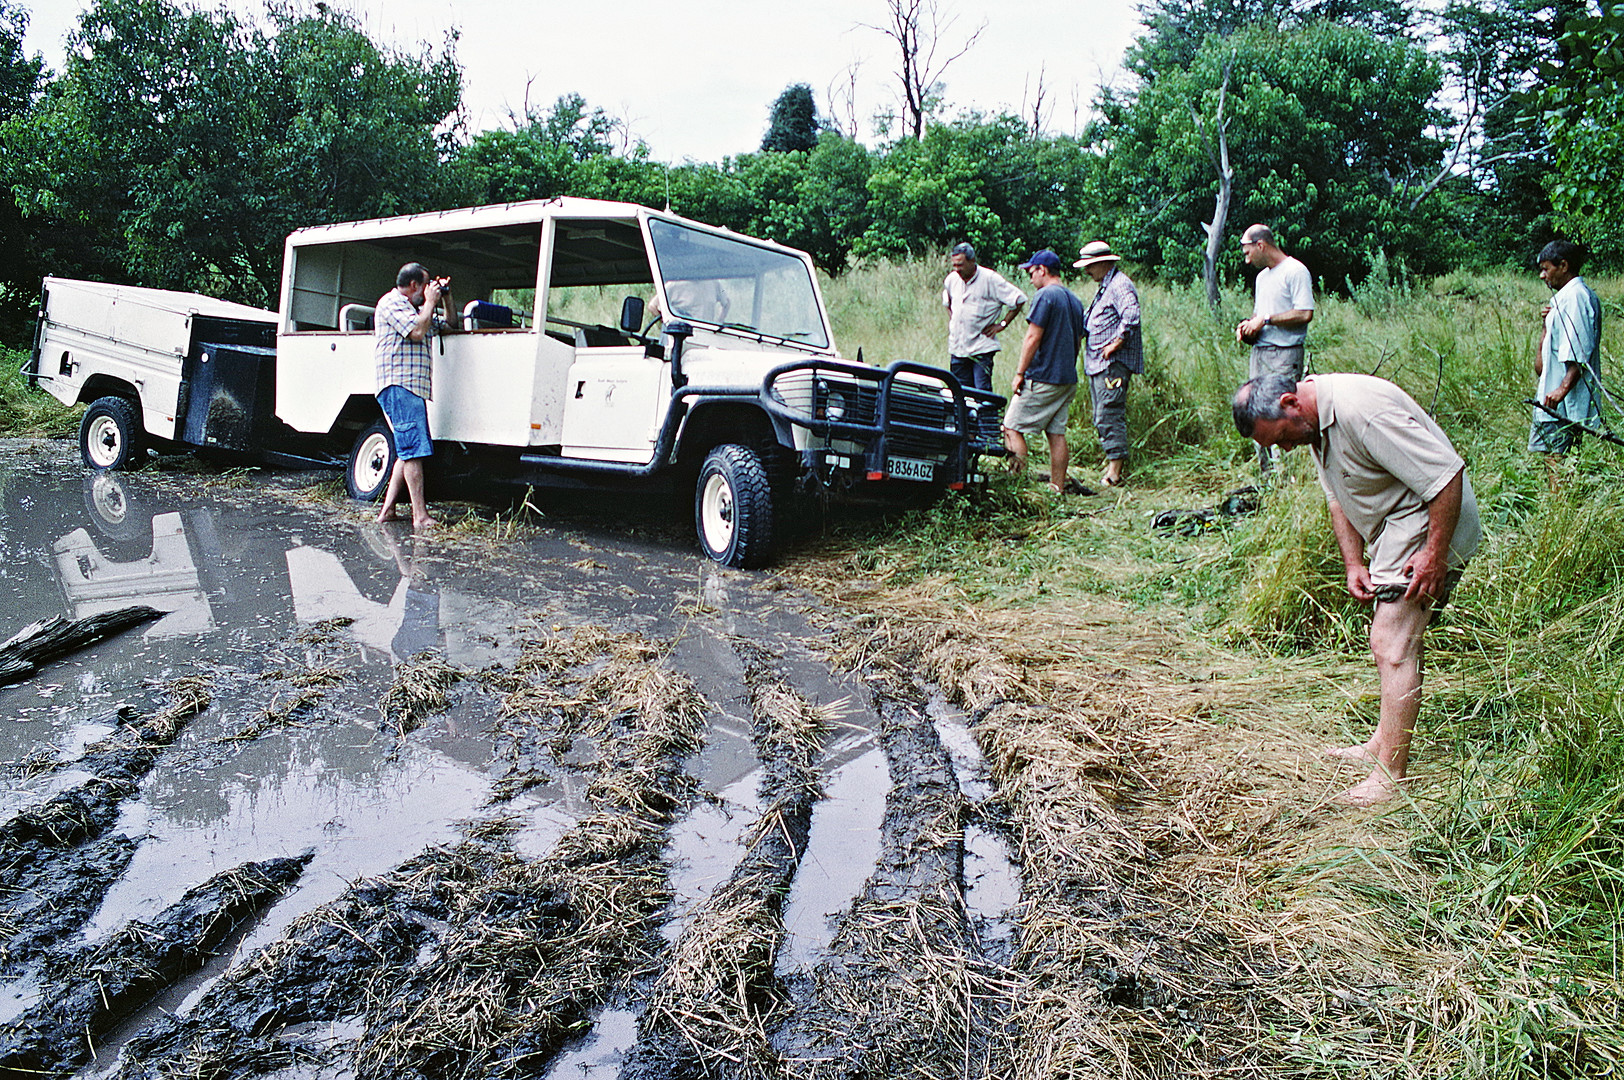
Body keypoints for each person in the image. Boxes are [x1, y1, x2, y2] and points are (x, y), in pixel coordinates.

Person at [1232, 372, 1481, 807]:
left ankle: (1391, 777)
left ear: (1291, 402)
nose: (1285, 449)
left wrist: (1435, 556)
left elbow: (1446, 475)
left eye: (1281, 439)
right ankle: (1380, 744)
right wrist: (1353, 562)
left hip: (1432, 523)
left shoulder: (1359, 410)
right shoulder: (1312, 425)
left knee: (1392, 642)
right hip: (1395, 528)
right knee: (1393, 641)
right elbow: (1336, 498)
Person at [1002, 250, 1085, 494]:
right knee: (1056, 433)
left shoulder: (1045, 296)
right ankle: (1056, 488)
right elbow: (1078, 341)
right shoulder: (1075, 300)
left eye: (1031, 272)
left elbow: (1032, 337)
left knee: (1011, 427)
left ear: (1042, 270)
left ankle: (1015, 486)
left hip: (1043, 377)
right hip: (1066, 379)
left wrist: (1019, 373)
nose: (1029, 278)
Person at [1235, 224, 1315, 472]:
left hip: (1284, 354)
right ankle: (1267, 478)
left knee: (1280, 414)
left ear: (1261, 245)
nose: (1247, 260)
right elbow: (1260, 314)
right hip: (1260, 352)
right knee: (1255, 413)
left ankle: (1287, 479)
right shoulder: (1262, 278)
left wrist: (1266, 319)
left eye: (1248, 253)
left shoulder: (1295, 270)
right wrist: (1248, 327)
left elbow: (1304, 313)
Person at [375, 262, 446, 529]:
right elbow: (417, 332)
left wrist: (444, 299)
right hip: (399, 384)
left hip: (409, 387)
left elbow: (448, 324)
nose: (429, 291)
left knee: (405, 452)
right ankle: (420, 516)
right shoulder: (392, 303)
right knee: (414, 451)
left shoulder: (416, 310)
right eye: (426, 285)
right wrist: (429, 302)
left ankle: (387, 511)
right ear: (415, 285)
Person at [1075, 240, 1141, 488]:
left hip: (1112, 364)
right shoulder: (1106, 285)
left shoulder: (1120, 284)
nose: (1086, 271)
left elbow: (1132, 315)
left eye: (1090, 266)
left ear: (1103, 263)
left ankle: (1115, 471)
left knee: (1108, 412)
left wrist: (1117, 342)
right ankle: (1112, 460)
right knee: (1100, 413)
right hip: (1098, 364)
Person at [1529, 239, 1603, 454]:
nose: (1542, 276)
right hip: (1551, 397)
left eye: (1546, 269)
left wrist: (1562, 390)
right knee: (1551, 459)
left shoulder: (1576, 297)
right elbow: (1542, 365)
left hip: (1563, 403)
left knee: (1559, 460)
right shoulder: (1562, 299)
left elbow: (1580, 353)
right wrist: (1546, 324)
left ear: (1563, 266)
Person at [943, 242, 1025, 393]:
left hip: (981, 347)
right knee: (960, 394)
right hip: (958, 347)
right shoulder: (951, 280)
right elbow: (947, 302)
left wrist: (1002, 324)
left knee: (982, 394)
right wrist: (956, 321)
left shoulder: (990, 279)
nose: (957, 269)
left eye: (960, 265)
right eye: (954, 265)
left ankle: (987, 417)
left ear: (972, 261)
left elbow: (1018, 299)